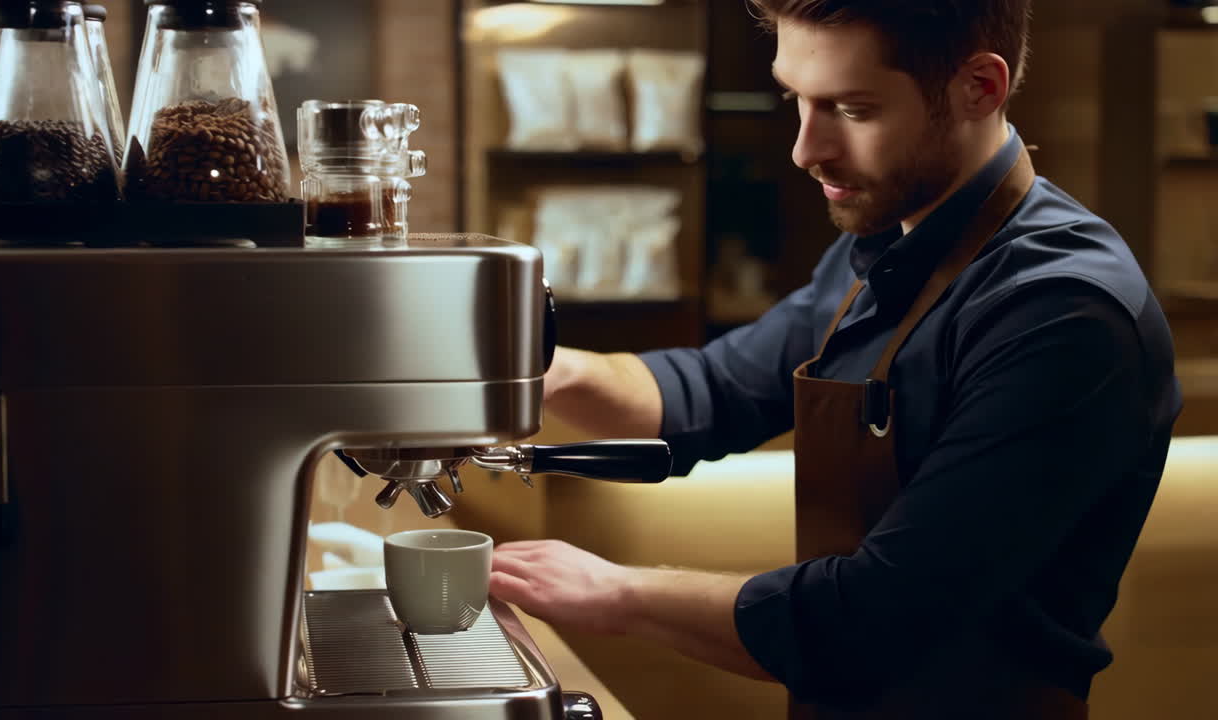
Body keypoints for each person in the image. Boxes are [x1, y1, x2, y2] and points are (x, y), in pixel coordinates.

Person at [488, 1, 1183, 718]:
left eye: (851, 108)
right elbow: (708, 390)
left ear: (980, 87)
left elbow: (872, 618)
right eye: (797, 99)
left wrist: (615, 592)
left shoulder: (1065, 315)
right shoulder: (892, 243)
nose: (804, 149)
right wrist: (502, 378)